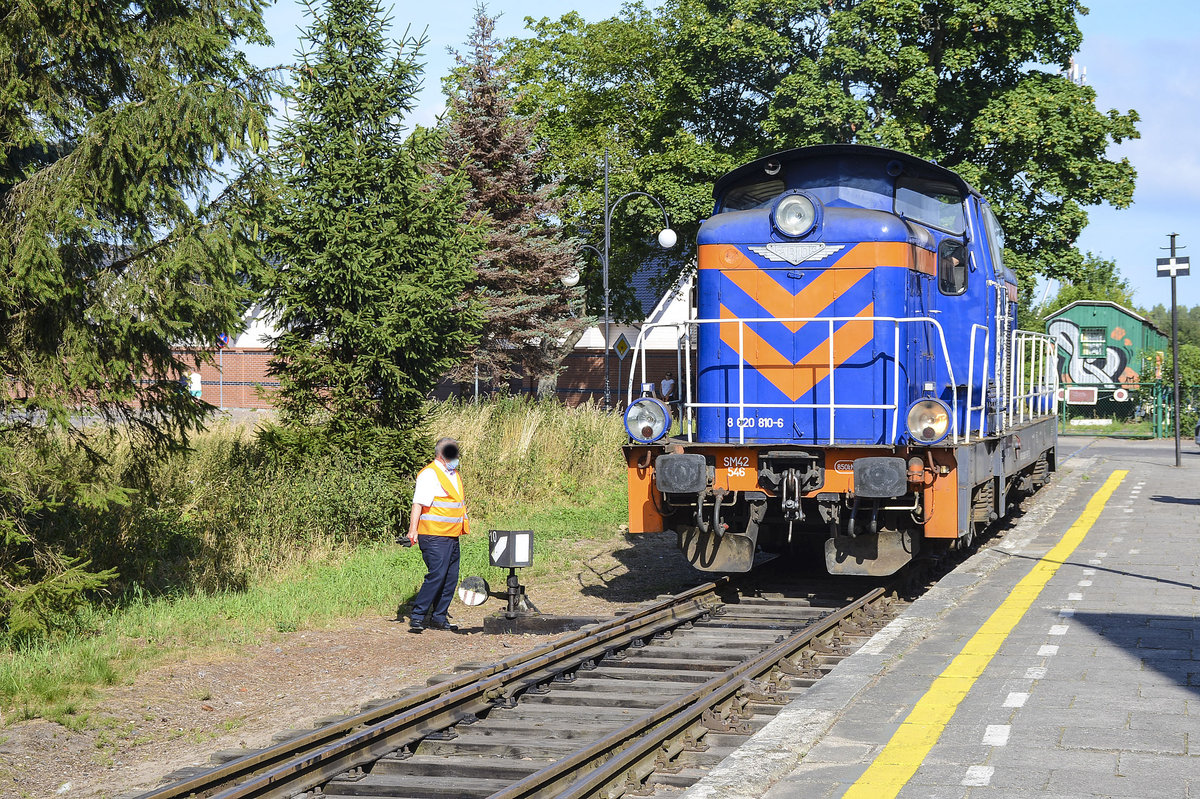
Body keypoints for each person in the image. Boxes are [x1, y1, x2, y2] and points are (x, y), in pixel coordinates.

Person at [407, 437, 469, 633]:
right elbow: (418, 504)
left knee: (450, 578)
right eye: (454, 453)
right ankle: (418, 616)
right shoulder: (429, 474)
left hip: (451, 535)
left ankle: (438, 617)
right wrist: (412, 530)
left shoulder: (454, 474)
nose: (457, 457)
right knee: (437, 575)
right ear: (443, 454)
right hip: (433, 535)